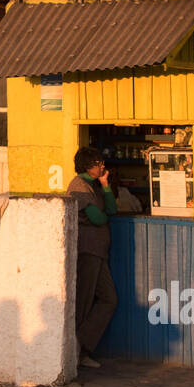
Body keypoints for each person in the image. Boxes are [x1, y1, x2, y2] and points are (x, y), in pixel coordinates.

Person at [67, 147, 120, 370]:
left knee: (109, 299)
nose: (102, 166)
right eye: (98, 163)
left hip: (99, 251)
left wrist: (107, 186)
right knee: (84, 302)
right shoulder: (79, 187)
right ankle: (75, 353)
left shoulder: (96, 185)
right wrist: (104, 211)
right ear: (88, 165)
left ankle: (83, 346)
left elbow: (111, 210)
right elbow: (98, 218)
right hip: (88, 251)